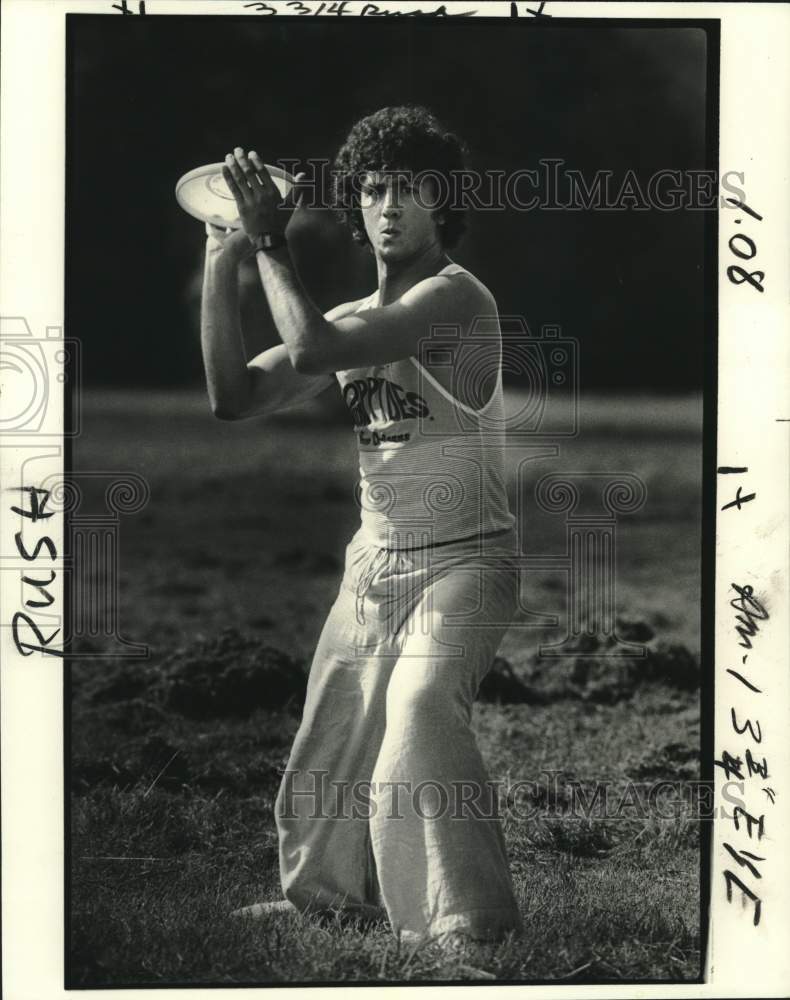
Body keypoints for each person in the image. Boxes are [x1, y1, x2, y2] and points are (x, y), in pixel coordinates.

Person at [200, 106, 522, 947]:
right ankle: (328, 900)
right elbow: (233, 396)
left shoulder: (452, 297)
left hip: (469, 562)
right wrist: (221, 251)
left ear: (444, 208)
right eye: (375, 189)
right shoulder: (348, 316)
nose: (389, 207)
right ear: (357, 207)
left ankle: (467, 925)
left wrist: (270, 245)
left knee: (418, 709)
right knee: (331, 738)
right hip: (373, 567)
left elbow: (309, 353)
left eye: (412, 192)